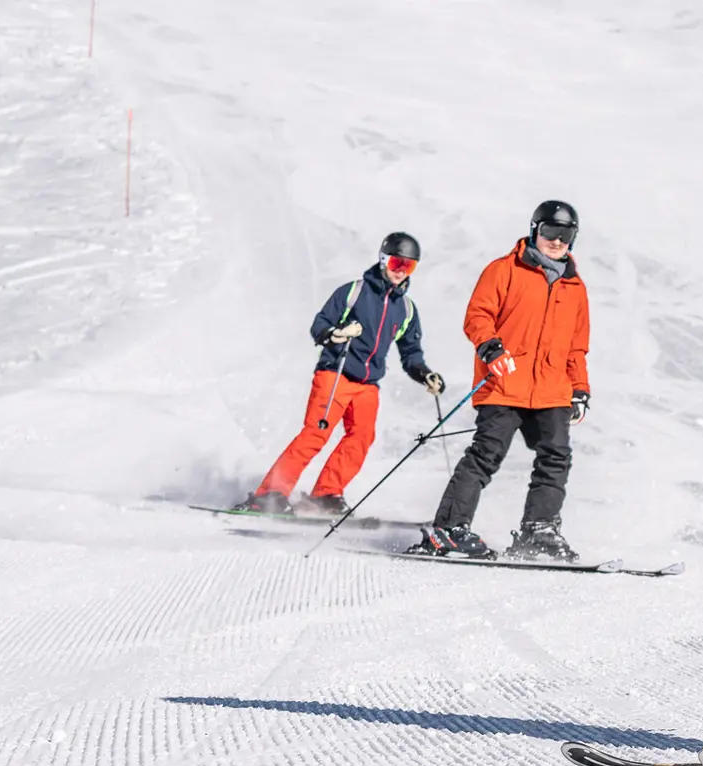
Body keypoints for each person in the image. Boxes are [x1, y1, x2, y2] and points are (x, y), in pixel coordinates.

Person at [410, 201, 591, 561]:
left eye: (566, 235)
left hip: (552, 389)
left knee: (556, 458)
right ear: (534, 230)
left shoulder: (575, 287)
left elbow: (576, 346)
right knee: (485, 455)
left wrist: (579, 388)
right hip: (505, 381)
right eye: (550, 233)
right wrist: (490, 348)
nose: (557, 241)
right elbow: (478, 314)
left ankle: (538, 531)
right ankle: (449, 531)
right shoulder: (504, 270)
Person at [239, 233, 443, 515]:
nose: (400, 271)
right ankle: (269, 494)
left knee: (361, 439)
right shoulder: (354, 292)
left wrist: (425, 374)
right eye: (397, 262)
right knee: (315, 434)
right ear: (384, 259)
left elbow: (411, 353)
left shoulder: (406, 309)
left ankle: (325, 494)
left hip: (368, 384)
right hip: (336, 373)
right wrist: (337, 334)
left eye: (409, 266)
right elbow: (320, 325)